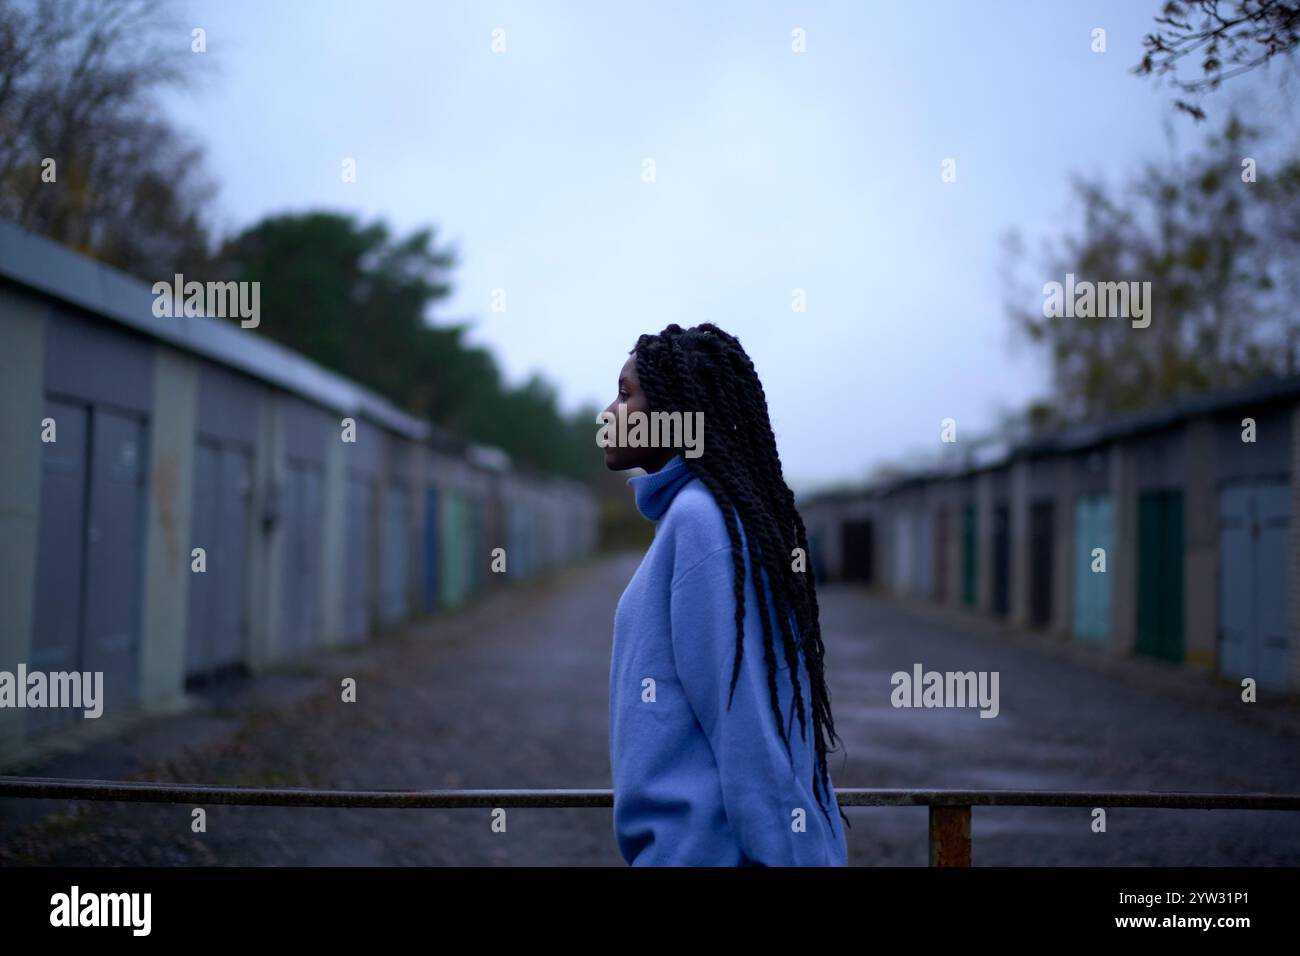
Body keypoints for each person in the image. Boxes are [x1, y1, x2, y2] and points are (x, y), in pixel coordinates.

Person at [603, 322, 850, 866]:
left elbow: (746, 726)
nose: (607, 414)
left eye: (624, 395)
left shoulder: (699, 521)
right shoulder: (691, 517)